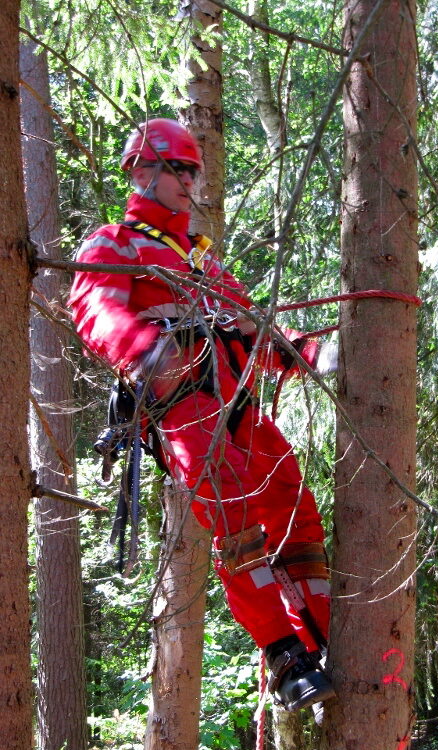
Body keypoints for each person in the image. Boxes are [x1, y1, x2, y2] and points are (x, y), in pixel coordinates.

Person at [69, 117, 335, 713]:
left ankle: (321, 630)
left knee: (290, 495)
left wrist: (308, 353)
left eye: (194, 169)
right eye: (179, 169)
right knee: (230, 503)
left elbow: (250, 322)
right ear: (144, 171)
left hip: (231, 400)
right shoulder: (114, 243)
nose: (191, 180)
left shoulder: (201, 260)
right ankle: (284, 655)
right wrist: (146, 350)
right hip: (182, 404)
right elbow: (95, 308)